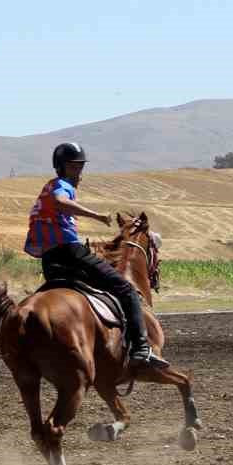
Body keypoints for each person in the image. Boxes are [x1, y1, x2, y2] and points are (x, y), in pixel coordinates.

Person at [24, 142, 168, 369]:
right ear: (61, 167)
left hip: (50, 260)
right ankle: (142, 348)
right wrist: (97, 216)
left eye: (80, 166)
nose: (79, 172)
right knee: (127, 290)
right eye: (74, 167)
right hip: (69, 252)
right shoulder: (62, 186)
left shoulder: (47, 187)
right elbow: (62, 202)